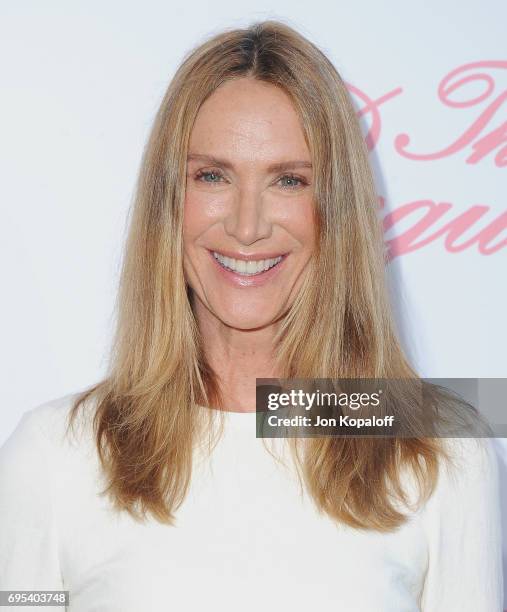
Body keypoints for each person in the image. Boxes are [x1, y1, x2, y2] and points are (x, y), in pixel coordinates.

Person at [0, 19, 503, 612]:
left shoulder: (439, 449)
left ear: (335, 211)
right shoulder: (56, 452)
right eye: (211, 176)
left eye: (289, 180)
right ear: (169, 201)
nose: (246, 225)